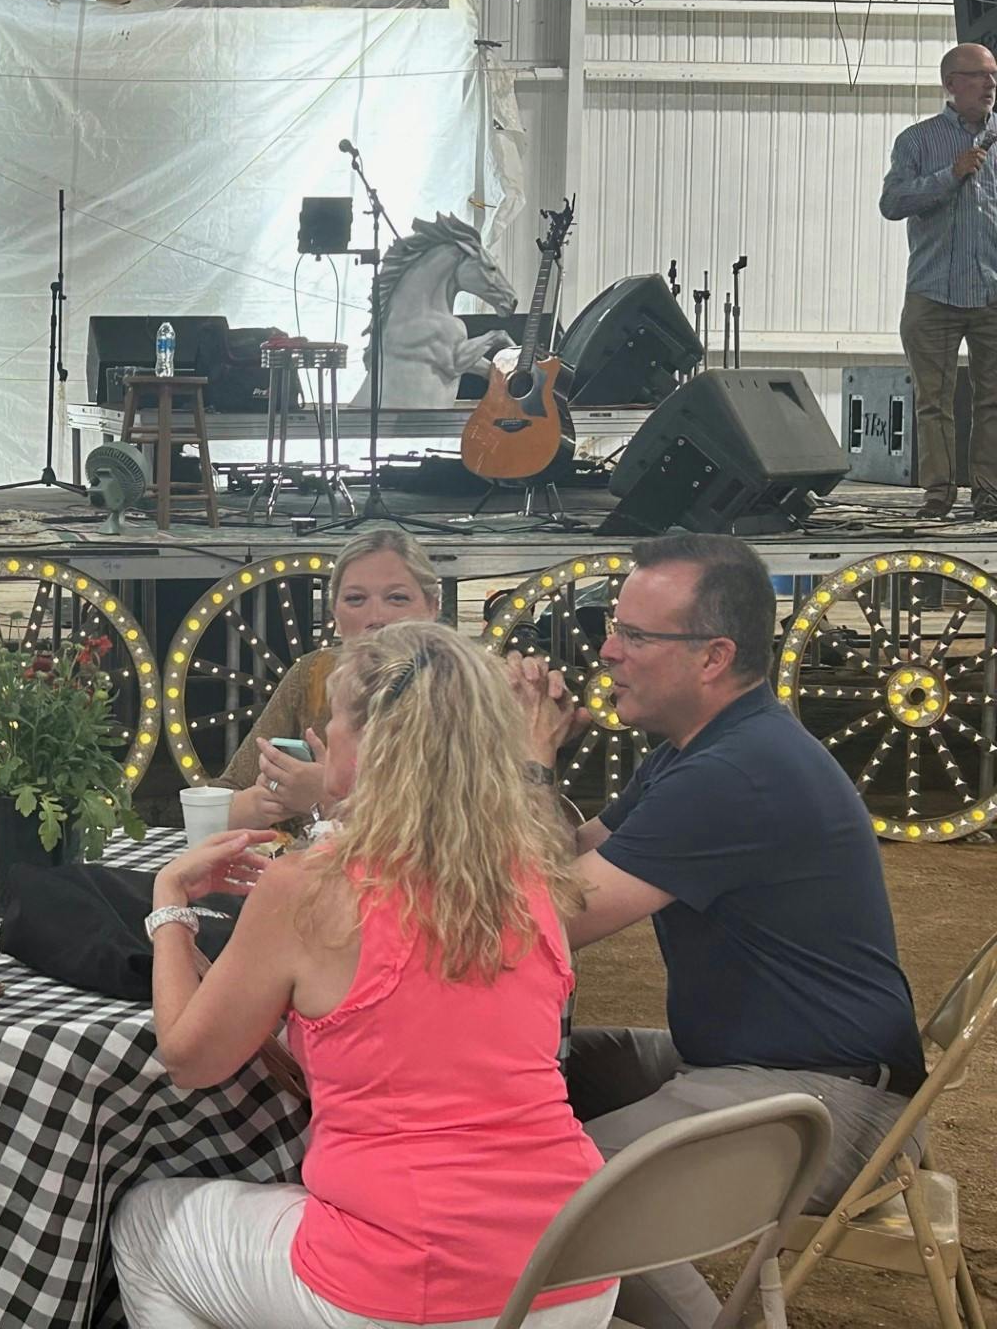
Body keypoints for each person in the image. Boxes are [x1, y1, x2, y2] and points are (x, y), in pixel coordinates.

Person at [112, 622, 617, 1329]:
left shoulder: (312, 888)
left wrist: (169, 904)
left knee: (143, 1221)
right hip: (576, 1262)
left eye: (335, 717)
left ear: (369, 742)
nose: (324, 732)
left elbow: (190, 1059)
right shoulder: (530, 876)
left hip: (411, 1283)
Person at [514, 532, 923, 1329]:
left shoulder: (734, 773)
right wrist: (521, 766)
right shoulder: (705, 748)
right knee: (516, 1079)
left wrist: (526, 764)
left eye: (635, 635)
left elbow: (544, 922)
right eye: (614, 627)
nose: (607, 650)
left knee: (546, 1191)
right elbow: (561, 856)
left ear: (713, 657)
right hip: (765, 1064)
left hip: (823, 1101)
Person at [219, 527, 443, 830]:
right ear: (334, 613)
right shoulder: (315, 673)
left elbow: (470, 824)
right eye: (355, 599)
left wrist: (329, 798)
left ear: (432, 607)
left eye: (397, 598)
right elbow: (227, 791)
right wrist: (257, 804)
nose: (376, 617)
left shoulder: (462, 689)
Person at [880, 41, 997, 520]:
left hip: (992, 292)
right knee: (934, 401)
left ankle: (989, 494)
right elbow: (892, 203)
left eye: (994, 75)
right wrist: (950, 174)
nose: (990, 84)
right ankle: (938, 493)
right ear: (951, 83)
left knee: (993, 399)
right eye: (979, 75)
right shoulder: (917, 140)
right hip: (933, 292)